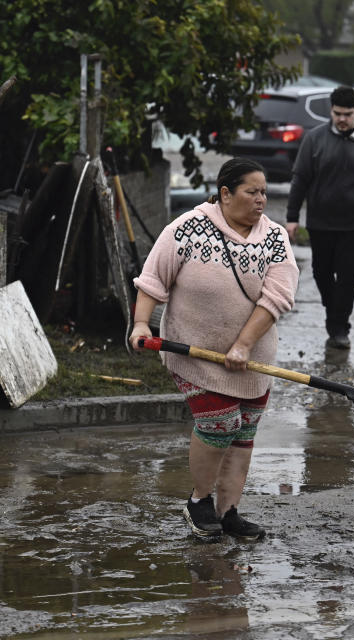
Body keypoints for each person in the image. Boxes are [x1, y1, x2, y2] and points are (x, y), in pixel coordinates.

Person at [130, 158, 299, 540]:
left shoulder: (274, 237)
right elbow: (153, 278)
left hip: (253, 359)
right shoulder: (187, 229)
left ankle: (229, 512)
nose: (261, 200)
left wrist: (243, 345)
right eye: (251, 192)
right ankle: (198, 501)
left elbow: (277, 297)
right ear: (225, 193)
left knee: (243, 431)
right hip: (196, 355)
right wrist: (142, 323)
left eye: (264, 192)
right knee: (219, 424)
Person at [285, 85, 354, 350]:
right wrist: (292, 216)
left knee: (347, 278)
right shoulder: (315, 139)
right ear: (331, 111)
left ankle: (339, 328)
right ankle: (334, 310)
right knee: (321, 272)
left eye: (347, 114)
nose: (341, 119)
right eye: (337, 114)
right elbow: (300, 179)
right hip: (321, 221)